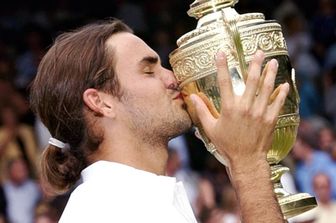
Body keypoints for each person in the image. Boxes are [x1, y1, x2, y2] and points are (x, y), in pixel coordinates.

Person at [30, 20, 289, 222]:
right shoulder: (110, 210)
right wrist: (248, 163)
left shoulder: (129, 201)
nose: (173, 78)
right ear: (100, 102)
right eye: (148, 71)